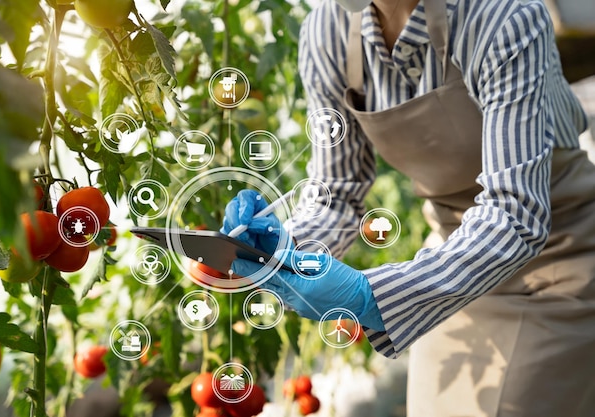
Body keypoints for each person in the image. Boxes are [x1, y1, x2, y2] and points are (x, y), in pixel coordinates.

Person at [222, 0, 595, 416]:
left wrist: (372, 297)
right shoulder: (326, 31)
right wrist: (286, 246)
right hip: (449, 276)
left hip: (559, 264)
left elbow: (516, 213)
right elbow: (338, 193)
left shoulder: (503, 17)